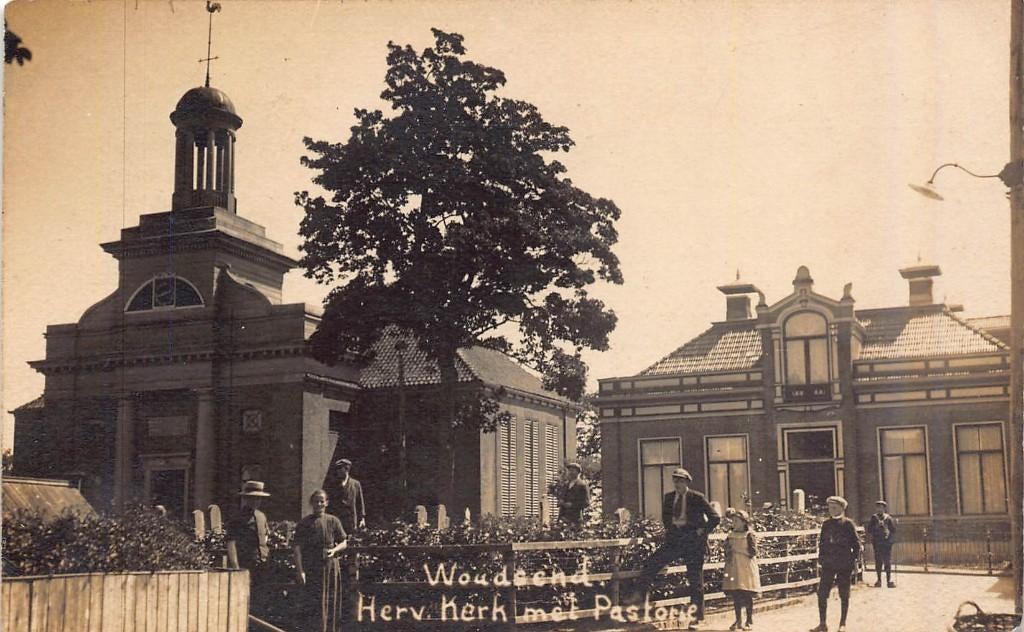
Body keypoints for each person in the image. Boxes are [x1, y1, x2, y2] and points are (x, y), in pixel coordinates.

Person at [634, 467, 720, 629]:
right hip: (675, 540)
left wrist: (702, 530)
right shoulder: (668, 498)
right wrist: (671, 532)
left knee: (695, 581)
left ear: (687, 482)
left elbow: (715, 518)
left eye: (680, 481)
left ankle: (697, 618)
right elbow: (666, 520)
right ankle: (641, 608)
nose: (677, 484)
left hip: (693, 542)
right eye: (675, 481)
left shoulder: (697, 497)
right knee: (651, 563)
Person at [293, 489, 348, 632]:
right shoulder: (304, 523)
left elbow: (344, 542)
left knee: (330, 602)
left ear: (326, 503)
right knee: (314, 603)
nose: (319, 504)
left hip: (330, 567)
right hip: (312, 568)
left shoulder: (333, 520)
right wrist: (300, 571)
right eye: (316, 501)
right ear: (312, 503)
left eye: (322, 501)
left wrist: (334, 550)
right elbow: (297, 549)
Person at [809, 496, 861, 632]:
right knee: (822, 593)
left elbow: (856, 545)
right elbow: (822, 544)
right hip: (829, 564)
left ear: (842, 508)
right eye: (830, 507)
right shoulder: (826, 525)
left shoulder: (848, 524)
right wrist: (821, 560)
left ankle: (842, 624)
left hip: (844, 564)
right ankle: (822, 624)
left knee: (844, 593)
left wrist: (855, 561)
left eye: (834, 507)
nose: (831, 510)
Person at [723, 508, 760, 631]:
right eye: (733, 521)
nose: (734, 523)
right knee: (736, 593)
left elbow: (753, 552)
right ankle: (738, 620)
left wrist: (739, 551)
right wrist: (728, 550)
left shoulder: (749, 535)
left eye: (737, 521)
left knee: (746, 592)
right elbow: (726, 550)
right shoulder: (730, 535)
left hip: (746, 567)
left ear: (744, 522)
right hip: (734, 567)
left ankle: (749, 620)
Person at [226, 481, 271, 576]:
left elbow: (265, 536)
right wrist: (236, 567)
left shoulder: (261, 516)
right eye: (253, 498)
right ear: (246, 498)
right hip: (244, 564)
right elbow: (231, 543)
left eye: (259, 498)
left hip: (262, 564)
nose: (256, 501)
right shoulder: (237, 518)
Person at [866, 500, 896, 588]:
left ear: (884, 509)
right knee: (878, 561)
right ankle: (878, 580)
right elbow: (869, 530)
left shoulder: (888, 518)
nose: (879, 510)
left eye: (881, 508)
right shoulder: (874, 518)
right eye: (878, 508)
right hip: (877, 543)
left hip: (886, 543)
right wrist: (876, 527)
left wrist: (890, 537)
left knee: (887, 562)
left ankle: (889, 580)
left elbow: (893, 530)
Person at [332, 458, 366, 534]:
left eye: (340, 468)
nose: (338, 471)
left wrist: (362, 518)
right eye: (337, 468)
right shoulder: (335, 485)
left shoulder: (355, 484)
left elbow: (360, 503)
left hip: (351, 519)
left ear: (346, 469)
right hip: (338, 519)